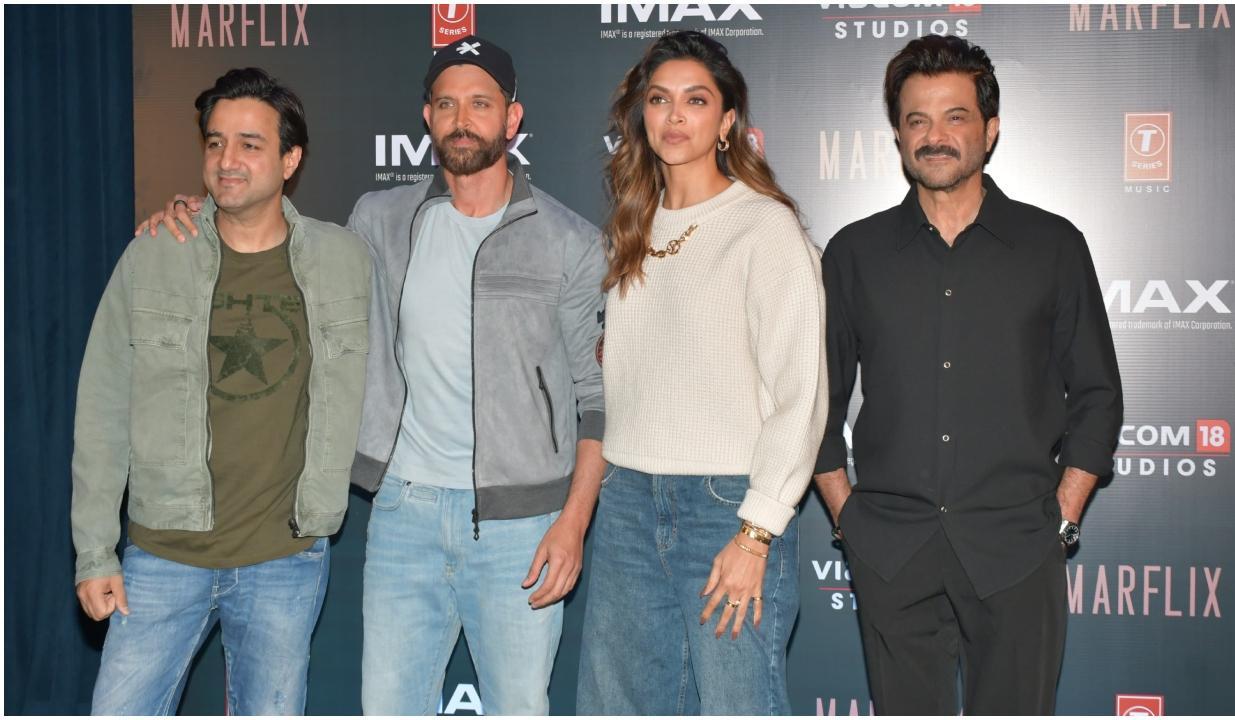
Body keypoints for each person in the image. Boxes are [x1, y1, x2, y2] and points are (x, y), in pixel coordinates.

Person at [138, 36, 606, 715]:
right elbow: (283, 252)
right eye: (446, 103)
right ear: (427, 117)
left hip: (521, 530)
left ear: (512, 118)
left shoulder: (568, 240)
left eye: (480, 103)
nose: (461, 118)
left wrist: (572, 525)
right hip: (402, 517)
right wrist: (203, 212)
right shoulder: (379, 220)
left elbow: (595, 400)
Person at [813, 35, 1124, 715]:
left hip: (1017, 549)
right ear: (898, 135)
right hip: (891, 548)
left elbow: (1098, 396)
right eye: (917, 120)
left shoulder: (1053, 246)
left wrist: (1062, 518)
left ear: (991, 129)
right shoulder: (855, 253)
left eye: (955, 117)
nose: (935, 137)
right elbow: (816, 404)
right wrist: (849, 519)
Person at [73, 67, 371, 715]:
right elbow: (101, 409)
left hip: (285, 562)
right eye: (214, 143)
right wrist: (94, 550)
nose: (227, 160)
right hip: (161, 557)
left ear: (290, 159)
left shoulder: (345, 259)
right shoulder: (153, 255)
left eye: (249, 144)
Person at [575, 30, 827, 715]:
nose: (675, 115)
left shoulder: (764, 228)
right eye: (659, 100)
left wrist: (756, 534)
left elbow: (799, 396)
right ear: (643, 116)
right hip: (627, 504)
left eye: (696, 100)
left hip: (727, 509)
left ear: (727, 121)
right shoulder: (632, 225)